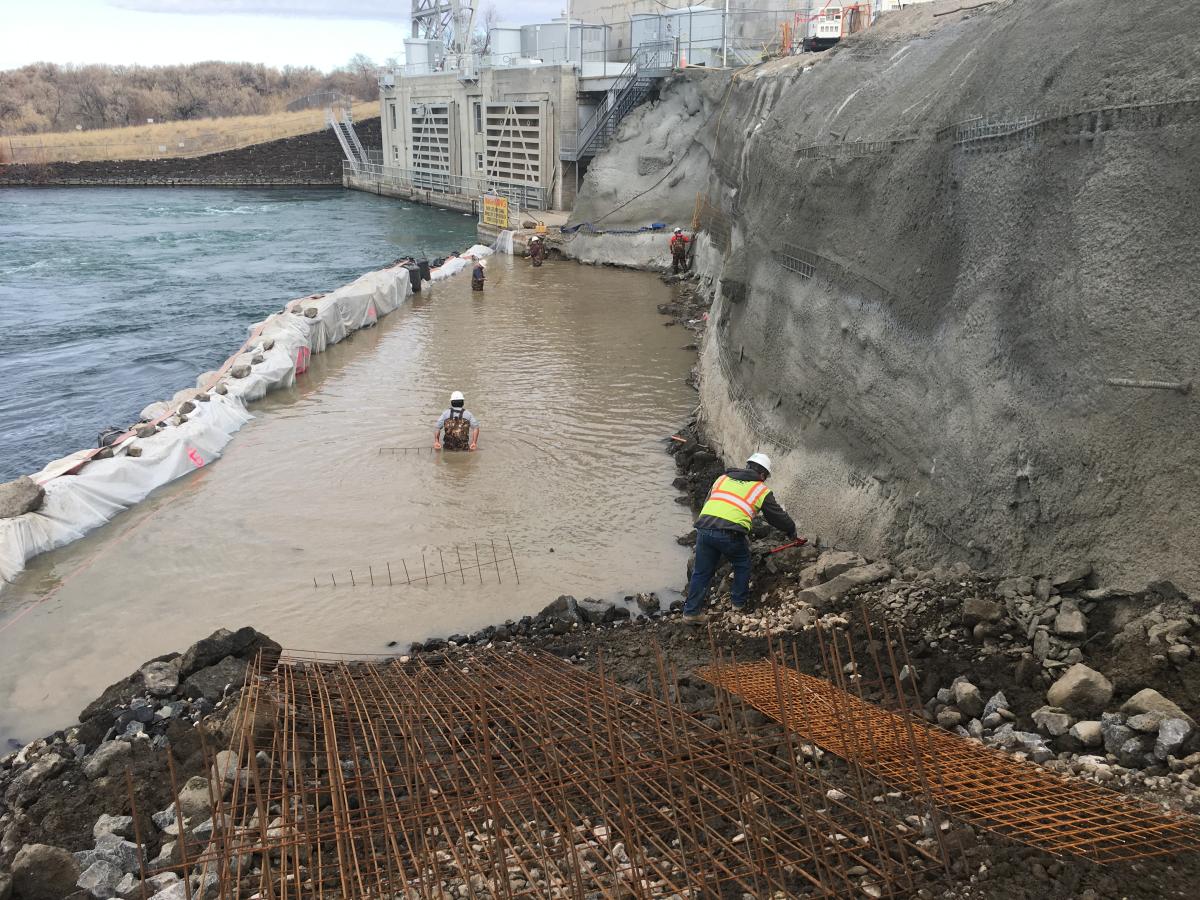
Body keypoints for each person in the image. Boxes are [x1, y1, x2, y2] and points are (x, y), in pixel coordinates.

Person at [682, 452, 798, 624]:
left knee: (701, 572)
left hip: (704, 528)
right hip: (729, 533)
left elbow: (709, 502)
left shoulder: (722, 479)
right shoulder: (760, 489)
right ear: (763, 474)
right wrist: (791, 530)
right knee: (742, 562)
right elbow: (777, 516)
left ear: (747, 466)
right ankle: (738, 604)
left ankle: (691, 613)